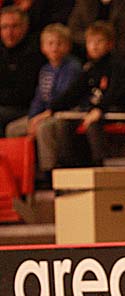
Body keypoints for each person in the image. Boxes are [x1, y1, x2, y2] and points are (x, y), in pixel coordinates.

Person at [42, 21, 125, 167]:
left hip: (118, 110)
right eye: (90, 42)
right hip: (95, 110)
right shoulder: (90, 68)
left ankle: (100, 165)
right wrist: (53, 109)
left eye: (99, 41)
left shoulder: (119, 66)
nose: (94, 46)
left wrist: (99, 109)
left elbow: (114, 93)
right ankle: (68, 167)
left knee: (94, 123)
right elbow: (74, 92)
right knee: (64, 123)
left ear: (110, 44)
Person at [5, 23, 81, 186]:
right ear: (43, 47)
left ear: (67, 46)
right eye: (50, 43)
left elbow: (65, 99)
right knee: (13, 129)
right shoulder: (45, 70)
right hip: (44, 113)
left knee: (43, 128)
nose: (54, 48)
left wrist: (42, 117)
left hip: (64, 113)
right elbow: (38, 99)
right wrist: (33, 118)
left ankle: (49, 172)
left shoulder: (72, 68)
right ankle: (21, 173)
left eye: (59, 43)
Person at [0, 5, 44, 137]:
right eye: (4, 27)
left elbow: (24, 94)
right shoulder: (2, 52)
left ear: (25, 27)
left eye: (14, 26)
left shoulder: (35, 53)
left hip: (25, 108)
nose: (9, 32)